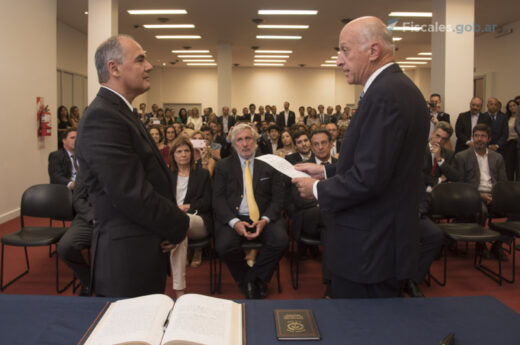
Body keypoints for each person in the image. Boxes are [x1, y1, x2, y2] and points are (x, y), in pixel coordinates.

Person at [292, 16, 429, 299]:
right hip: (380, 240)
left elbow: (370, 178)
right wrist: (327, 172)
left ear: (373, 51)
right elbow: (378, 162)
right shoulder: (397, 88)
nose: (339, 61)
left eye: (345, 50)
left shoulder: (386, 94)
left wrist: (316, 189)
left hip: (370, 246)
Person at [75, 35, 189, 297]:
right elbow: (131, 192)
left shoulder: (120, 112)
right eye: (140, 60)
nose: (149, 66)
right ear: (114, 68)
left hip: (141, 244)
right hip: (126, 258)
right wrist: (179, 224)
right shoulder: (103, 117)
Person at [213, 123, 288, 299]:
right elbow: (217, 199)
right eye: (239, 140)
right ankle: (248, 280)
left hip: (264, 216)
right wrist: (234, 222)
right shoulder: (223, 166)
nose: (245, 144)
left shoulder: (271, 164)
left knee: (281, 241)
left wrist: (265, 220)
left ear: (255, 141)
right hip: (234, 217)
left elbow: (279, 198)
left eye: (248, 138)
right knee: (224, 246)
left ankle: (256, 279)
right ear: (234, 143)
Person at [161, 137, 212, 298]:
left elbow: (208, 202)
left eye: (187, 151)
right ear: (173, 155)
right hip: (176, 222)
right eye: (179, 151)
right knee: (180, 231)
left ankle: (178, 290)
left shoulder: (202, 174)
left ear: (192, 153)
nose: (183, 154)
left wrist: (188, 207)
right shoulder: (167, 176)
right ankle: (179, 290)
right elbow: (161, 201)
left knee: (180, 224)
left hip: (198, 220)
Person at [455, 123, 508, 260]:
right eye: (476, 136)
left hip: (494, 194)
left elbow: (503, 183)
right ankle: (481, 245)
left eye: (483, 136)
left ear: (489, 139)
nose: (479, 139)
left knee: (516, 208)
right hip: (473, 195)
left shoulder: (498, 157)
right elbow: (460, 185)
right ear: (472, 137)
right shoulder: (462, 156)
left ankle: (498, 244)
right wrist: (480, 196)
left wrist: (496, 195)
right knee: (482, 210)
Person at [56, 171, 93, 296]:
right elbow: (78, 199)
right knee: (66, 247)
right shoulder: (88, 162)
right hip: (88, 217)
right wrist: (93, 217)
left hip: (118, 218)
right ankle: (88, 281)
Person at [504, 100, 519, 180]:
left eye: (514, 105)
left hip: (518, 143)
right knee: (509, 167)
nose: (512, 107)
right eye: (510, 106)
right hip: (509, 144)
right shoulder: (506, 118)